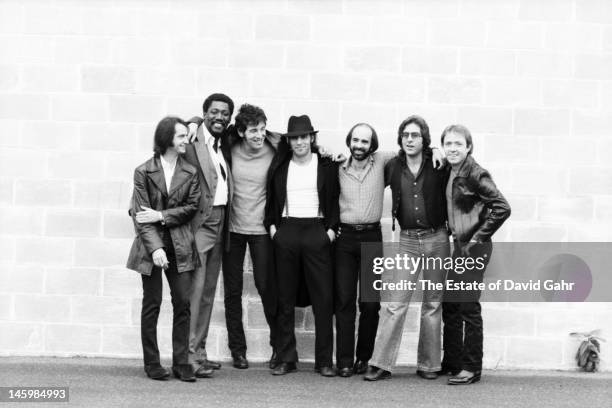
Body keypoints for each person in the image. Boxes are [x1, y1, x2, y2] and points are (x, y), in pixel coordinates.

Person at [365, 115, 450, 381]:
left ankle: (429, 364)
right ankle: (380, 363)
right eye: (406, 135)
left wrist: (439, 152)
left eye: (415, 135)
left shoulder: (438, 165)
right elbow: (366, 159)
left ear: (425, 139)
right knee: (396, 303)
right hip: (408, 241)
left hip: (437, 239)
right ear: (400, 139)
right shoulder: (392, 166)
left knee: (432, 304)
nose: (410, 139)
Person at [126, 116, 202, 382]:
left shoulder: (191, 172)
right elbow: (139, 215)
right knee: (152, 304)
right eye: (181, 136)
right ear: (167, 139)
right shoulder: (143, 171)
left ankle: (181, 363)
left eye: (186, 135)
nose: (185, 141)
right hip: (151, 247)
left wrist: (160, 215)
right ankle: (153, 363)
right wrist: (156, 248)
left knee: (182, 302)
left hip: (180, 244)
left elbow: (192, 208)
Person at [265, 115, 339, 377]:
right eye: (294, 137)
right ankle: (287, 357)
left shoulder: (327, 165)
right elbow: (271, 200)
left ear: (311, 138)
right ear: (289, 141)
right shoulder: (281, 166)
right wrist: (274, 231)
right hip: (287, 230)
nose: (299, 142)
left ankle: (323, 361)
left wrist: (329, 232)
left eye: (303, 136)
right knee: (284, 298)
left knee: (323, 299)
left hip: (316, 231)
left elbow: (335, 200)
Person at [440, 124, 510, 385]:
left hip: (474, 247)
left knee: (468, 306)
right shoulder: (450, 168)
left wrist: (478, 237)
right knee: (451, 304)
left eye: (458, 144)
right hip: (460, 246)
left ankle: (471, 368)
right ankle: (454, 362)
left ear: (468, 146)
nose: (453, 148)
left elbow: (502, 207)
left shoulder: (476, 174)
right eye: (448, 144)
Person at [221, 104, 279, 369]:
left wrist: (323, 149)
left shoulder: (276, 147)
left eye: (263, 128)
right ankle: (238, 350)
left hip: (262, 231)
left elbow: (306, 145)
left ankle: (278, 347)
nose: (259, 134)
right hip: (232, 229)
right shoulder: (228, 148)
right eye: (254, 130)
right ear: (242, 131)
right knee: (232, 292)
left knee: (267, 288)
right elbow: (202, 131)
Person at [183, 93, 234, 378]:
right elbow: (170, 134)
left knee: (208, 293)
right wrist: (190, 122)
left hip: (221, 222)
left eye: (225, 113)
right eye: (214, 112)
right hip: (201, 223)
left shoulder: (222, 142)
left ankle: (199, 352)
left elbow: (271, 136)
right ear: (204, 114)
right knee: (196, 291)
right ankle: (188, 357)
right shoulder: (192, 139)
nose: (219, 117)